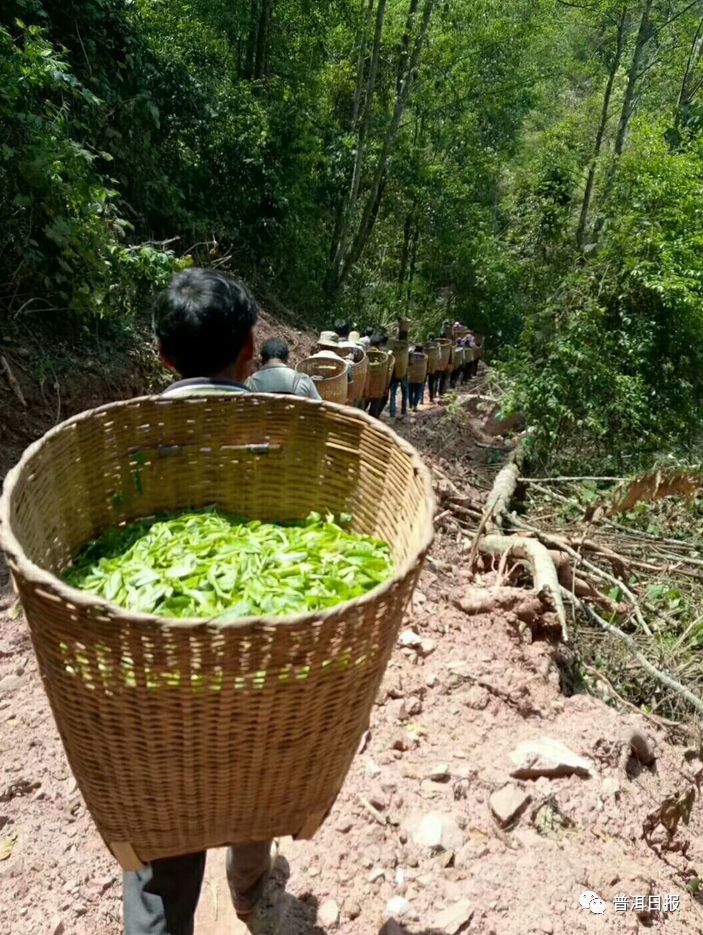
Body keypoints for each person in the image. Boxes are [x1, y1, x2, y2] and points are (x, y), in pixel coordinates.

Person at [130, 268, 279, 935]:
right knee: (256, 787)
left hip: (158, 684)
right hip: (261, 672)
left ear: (162, 357)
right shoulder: (284, 436)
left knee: (162, 844)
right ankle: (246, 893)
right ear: (249, 348)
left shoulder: (126, 442)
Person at [247, 338, 321, 399]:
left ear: (262, 360)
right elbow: (320, 409)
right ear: (286, 359)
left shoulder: (250, 383)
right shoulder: (302, 380)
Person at [408, 345, 427, 412]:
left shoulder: (411, 356)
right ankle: (415, 405)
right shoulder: (424, 357)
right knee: (417, 392)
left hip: (411, 377)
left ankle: (410, 404)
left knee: (410, 391)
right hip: (420, 378)